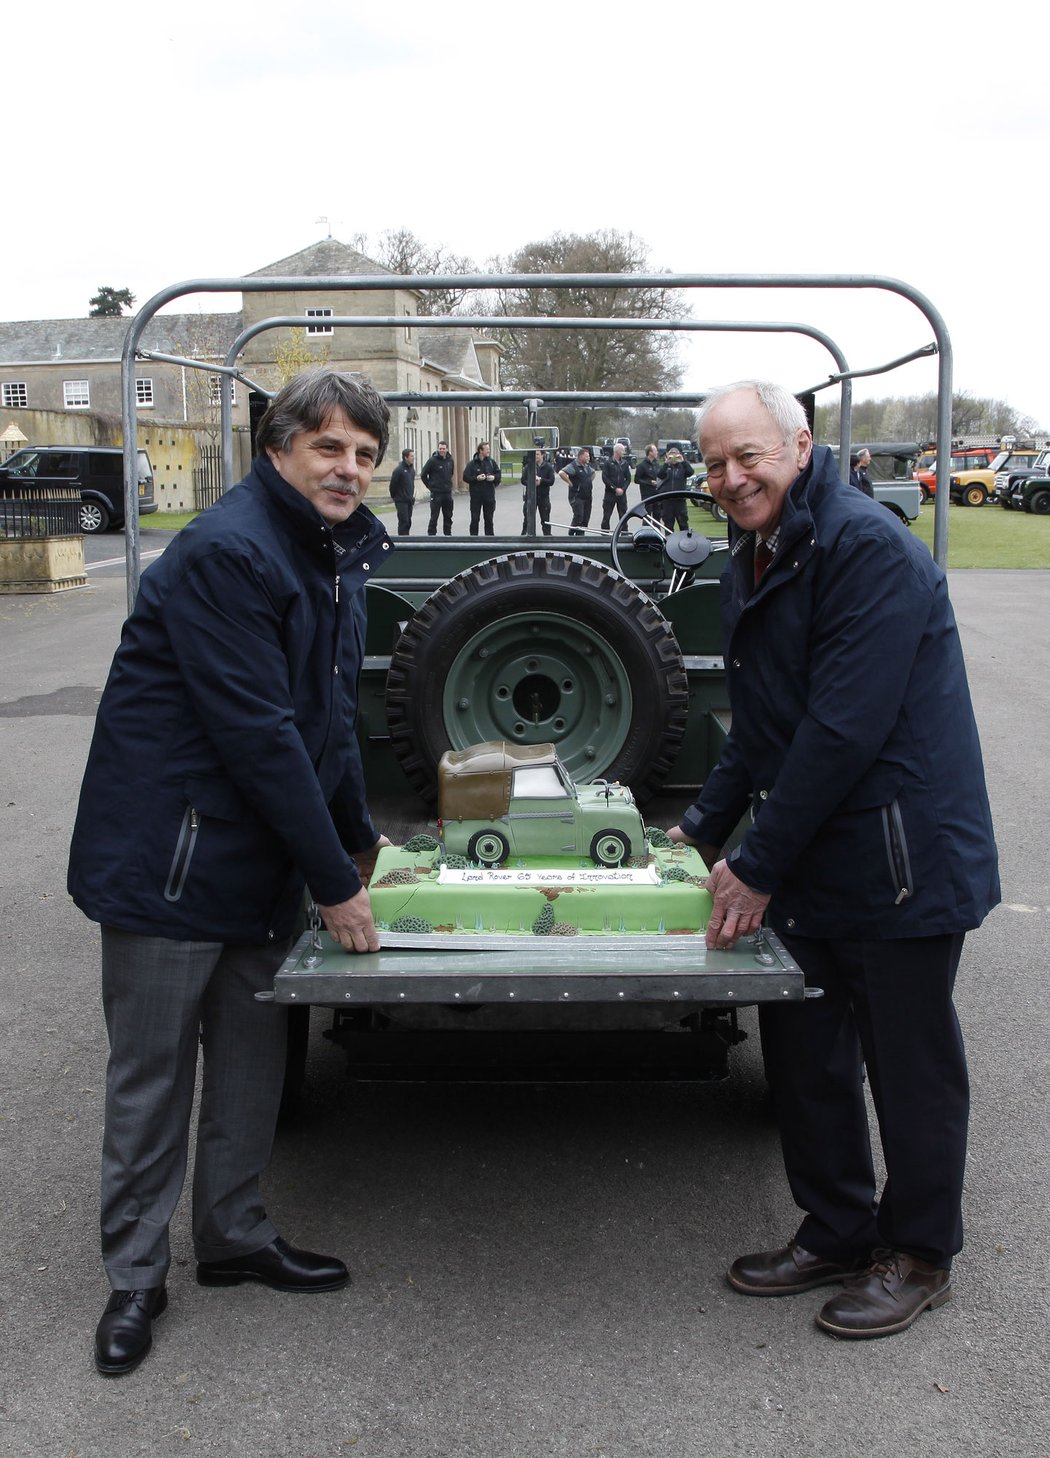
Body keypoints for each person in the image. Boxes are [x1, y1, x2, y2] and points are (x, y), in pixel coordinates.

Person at [67, 369, 394, 1377]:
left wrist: (354, 835)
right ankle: (133, 1279)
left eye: (366, 455)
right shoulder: (229, 553)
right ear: (279, 446)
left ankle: (235, 1236)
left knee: (252, 1066)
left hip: (259, 866)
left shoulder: (327, 558)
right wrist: (336, 886)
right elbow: (256, 733)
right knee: (152, 1079)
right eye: (330, 448)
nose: (349, 470)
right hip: (171, 861)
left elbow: (329, 721)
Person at [667, 380, 999, 1341]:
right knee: (807, 1050)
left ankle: (921, 1252)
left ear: (800, 446)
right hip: (817, 851)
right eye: (717, 464)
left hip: (902, 854)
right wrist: (699, 829)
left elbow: (842, 730)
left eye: (750, 457)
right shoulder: (757, 554)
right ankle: (837, 1229)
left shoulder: (865, 550)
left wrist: (757, 863)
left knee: (910, 1065)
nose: (732, 479)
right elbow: (766, 727)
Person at [463, 440, 502, 536]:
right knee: (475, 519)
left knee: (489, 520)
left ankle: (490, 541)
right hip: (476, 497)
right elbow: (465, 477)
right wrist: (476, 478)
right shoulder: (472, 464)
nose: (489, 451)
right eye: (487, 449)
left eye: (489, 449)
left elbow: (498, 474)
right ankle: (473, 540)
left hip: (489, 497)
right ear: (481, 450)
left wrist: (494, 478)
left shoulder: (491, 462)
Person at [559, 447, 594, 536]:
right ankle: (571, 532)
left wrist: (588, 481)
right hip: (577, 496)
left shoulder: (587, 467)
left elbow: (594, 473)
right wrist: (569, 482)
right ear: (581, 456)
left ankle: (580, 535)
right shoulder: (573, 466)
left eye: (588, 456)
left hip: (587, 496)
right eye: (586, 456)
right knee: (579, 516)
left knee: (585, 518)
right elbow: (561, 473)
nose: (588, 458)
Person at [657, 444, 695, 529]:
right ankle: (669, 541)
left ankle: (685, 541)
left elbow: (690, 472)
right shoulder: (665, 466)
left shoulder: (683, 467)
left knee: (683, 523)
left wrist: (683, 461)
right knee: (668, 525)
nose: (674, 457)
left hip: (680, 500)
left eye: (675, 454)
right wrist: (667, 463)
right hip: (667, 500)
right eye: (671, 454)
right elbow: (660, 475)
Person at [422, 440, 455, 535]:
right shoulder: (432, 460)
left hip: (447, 493)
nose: (442, 450)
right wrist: (430, 486)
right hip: (436, 493)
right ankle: (431, 535)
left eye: (443, 449)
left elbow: (451, 473)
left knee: (448, 516)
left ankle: (448, 535)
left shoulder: (450, 460)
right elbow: (423, 475)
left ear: (447, 449)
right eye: (440, 448)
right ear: (438, 449)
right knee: (434, 516)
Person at [520, 447, 555, 535]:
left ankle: (547, 538)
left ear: (542, 455)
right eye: (534, 454)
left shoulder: (548, 467)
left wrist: (541, 480)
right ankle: (524, 536)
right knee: (527, 519)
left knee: (545, 520)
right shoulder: (529, 466)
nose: (535, 456)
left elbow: (551, 481)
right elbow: (523, 480)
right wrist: (531, 482)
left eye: (537, 454)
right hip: (530, 497)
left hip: (543, 498)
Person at [599, 441, 632, 529]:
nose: (624, 453)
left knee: (623, 515)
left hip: (622, 494)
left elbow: (628, 479)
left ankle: (624, 532)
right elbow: (605, 478)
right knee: (607, 515)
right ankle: (605, 532)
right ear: (617, 451)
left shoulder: (625, 463)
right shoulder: (608, 463)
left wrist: (623, 489)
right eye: (622, 451)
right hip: (610, 494)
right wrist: (614, 488)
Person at [388, 446, 416, 534]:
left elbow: (411, 484)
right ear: (405, 457)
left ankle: (407, 540)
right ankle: (402, 541)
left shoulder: (412, 469)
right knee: (403, 522)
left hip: (409, 500)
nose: (413, 458)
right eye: (411, 456)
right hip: (401, 500)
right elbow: (393, 485)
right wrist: (395, 497)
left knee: (408, 522)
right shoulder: (399, 470)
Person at [634, 443, 663, 518]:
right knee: (647, 516)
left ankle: (657, 529)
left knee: (657, 515)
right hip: (647, 494)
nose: (657, 452)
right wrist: (649, 482)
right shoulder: (642, 466)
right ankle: (646, 529)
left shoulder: (657, 464)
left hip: (657, 493)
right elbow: (637, 480)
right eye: (655, 450)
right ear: (650, 452)